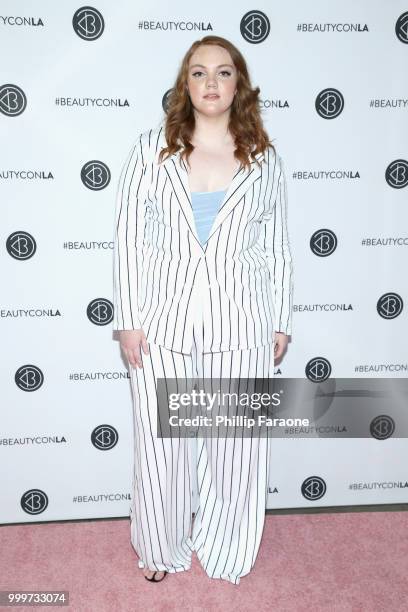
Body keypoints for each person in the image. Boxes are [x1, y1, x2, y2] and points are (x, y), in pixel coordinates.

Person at [112, 35, 294, 585]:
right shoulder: (150, 150)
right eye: (198, 73)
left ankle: (226, 546)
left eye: (222, 72)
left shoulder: (264, 159)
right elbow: (129, 240)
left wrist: (280, 317)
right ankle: (159, 545)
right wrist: (128, 318)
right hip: (162, 320)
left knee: (234, 444)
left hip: (242, 318)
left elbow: (277, 244)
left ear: (239, 84)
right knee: (161, 441)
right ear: (184, 84)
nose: (210, 83)